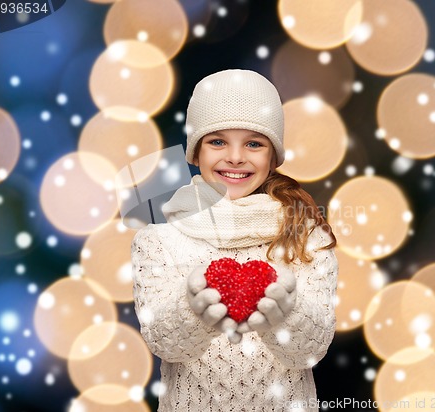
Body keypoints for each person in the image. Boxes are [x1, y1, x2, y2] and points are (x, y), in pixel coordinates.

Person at [131, 69, 338, 411]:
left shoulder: (305, 237)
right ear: (196, 152)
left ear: (272, 156)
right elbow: (165, 345)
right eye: (218, 141)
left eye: (254, 143)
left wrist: (287, 311)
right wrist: (193, 308)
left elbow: (311, 350)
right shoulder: (158, 240)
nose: (236, 157)